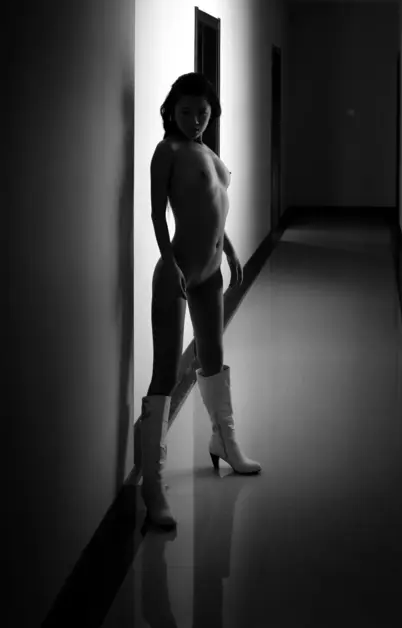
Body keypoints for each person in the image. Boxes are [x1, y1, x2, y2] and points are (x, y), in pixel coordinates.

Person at [141, 73, 261, 529]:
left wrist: (228, 249)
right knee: (167, 372)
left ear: (212, 114)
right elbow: (158, 213)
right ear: (172, 111)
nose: (194, 120)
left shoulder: (207, 151)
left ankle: (224, 442)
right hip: (178, 271)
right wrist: (168, 261)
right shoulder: (167, 151)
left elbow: (213, 208)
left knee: (213, 359)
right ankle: (152, 485)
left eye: (203, 113)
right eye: (186, 112)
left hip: (210, 272)